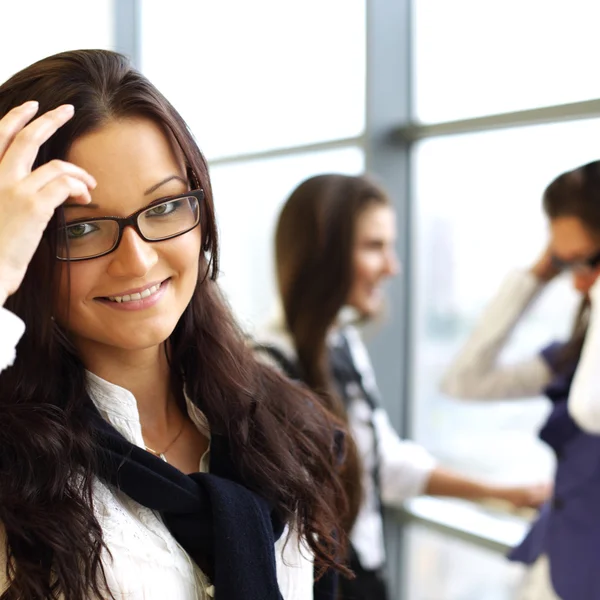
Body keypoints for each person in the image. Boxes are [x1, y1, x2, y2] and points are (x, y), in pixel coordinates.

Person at [0, 50, 352, 600]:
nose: (137, 261)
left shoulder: (286, 427)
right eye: (80, 229)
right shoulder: (17, 467)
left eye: (163, 208)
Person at [254, 173, 549, 600]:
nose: (392, 267)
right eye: (374, 247)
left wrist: (502, 493)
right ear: (324, 252)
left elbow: (383, 465)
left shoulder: (343, 342)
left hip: (363, 575)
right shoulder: (266, 366)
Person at [441, 160, 600, 600]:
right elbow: (466, 380)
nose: (578, 284)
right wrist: (536, 275)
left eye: (586, 261)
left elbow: (591, 409)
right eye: (564, 264)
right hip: (552, 565)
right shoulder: (578, 353)